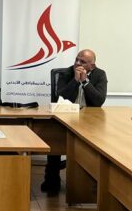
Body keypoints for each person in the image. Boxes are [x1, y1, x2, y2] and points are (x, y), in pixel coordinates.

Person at [41, 49, 107, 193]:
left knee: (94, 147)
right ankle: (51, 180)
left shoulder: (99, 75)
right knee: (54, 139)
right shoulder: (67, 73)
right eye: (77, 59)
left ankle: (88, 185)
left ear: (92, 65)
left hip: (90, 121)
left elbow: (98, 101)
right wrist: (75, 81)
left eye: (82, 62)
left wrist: (85, 82)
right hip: (66, 117)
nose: (77, 63)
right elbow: (59, 98)